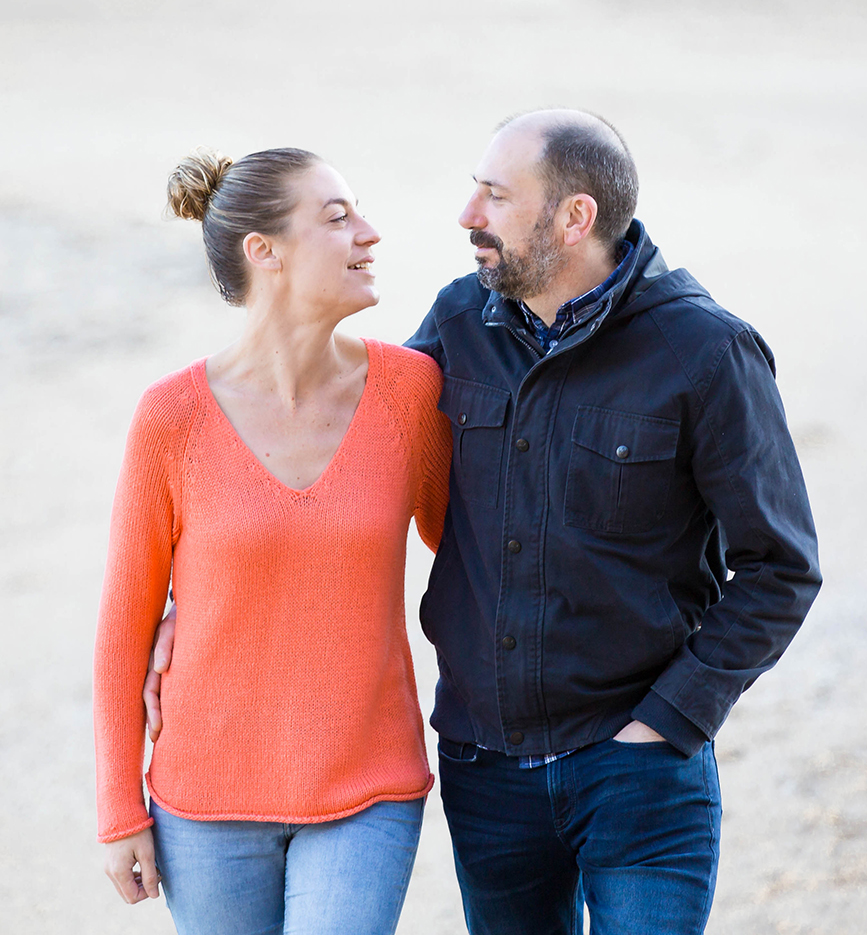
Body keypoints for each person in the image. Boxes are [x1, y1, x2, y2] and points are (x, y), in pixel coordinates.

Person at [148, 110, 822, 934]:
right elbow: (349, 474)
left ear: (574, 217)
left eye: (495, 196)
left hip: (640, 771)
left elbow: (780, 567)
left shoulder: (706, 352)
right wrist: (209, 603)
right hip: (486, 772)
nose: (467, 215)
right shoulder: (458, 326)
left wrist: (670, 719)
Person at [95, 147, 450, 934]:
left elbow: (482, 556)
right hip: (205, 805)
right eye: (338, 217)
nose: (370, 233)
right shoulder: (171, 420)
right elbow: (125, 628)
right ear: (267, 253)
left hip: (368, 787)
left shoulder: (410, 394)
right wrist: (121, 810)